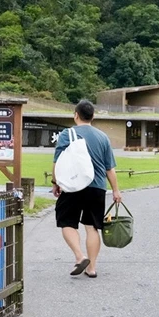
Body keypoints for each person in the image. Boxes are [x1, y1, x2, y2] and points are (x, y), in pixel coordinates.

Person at [52, 99, 122, 278]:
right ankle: (92, 268)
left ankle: (79, 256)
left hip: (74, 185)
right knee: (92, 227)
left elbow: (58, 162)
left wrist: (56, 183)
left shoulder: (67, 134)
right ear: (93, 117)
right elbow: (110, 168)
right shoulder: (102, 137)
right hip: (96, 187)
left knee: (66, 222)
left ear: (76, 115)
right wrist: (116, 190)